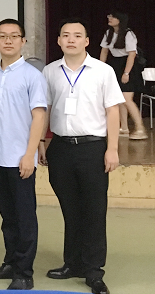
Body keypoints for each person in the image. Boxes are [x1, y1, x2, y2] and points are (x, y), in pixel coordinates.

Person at [39, 18, 123, 294]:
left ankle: (94, 270)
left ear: (86, 41)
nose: (71, 39)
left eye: (77, 35)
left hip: (93, 148)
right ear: (59, 41)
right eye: (66, 35)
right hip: (61, 147)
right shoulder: (50, 71)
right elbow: (45, 108)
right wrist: (41, 141)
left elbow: (112, 111)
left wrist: (112, 148)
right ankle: (72, 263)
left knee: (94, 210)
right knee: (70, 209)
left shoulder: (103, 71)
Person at [0, 19, 47, 291]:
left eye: (14, 36)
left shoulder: (32, 76)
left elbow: (39, 116)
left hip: (20, 158)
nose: (8, 41)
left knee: (25, 217)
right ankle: (10, 262)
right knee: (7, 215)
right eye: (2, 36)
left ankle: (24, 272)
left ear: (23, 41)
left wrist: (30, 154)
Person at [99, 11, 148, 140]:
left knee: (127, 99)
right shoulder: (108, 33)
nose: (109, 18)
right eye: (109, 16)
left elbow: (132, 54)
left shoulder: (128, 34)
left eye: (113, 16)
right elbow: (104, 51)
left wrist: (126, 73)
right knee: (119, 98)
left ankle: (140, 128)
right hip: (116, 65)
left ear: (120, 19)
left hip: (128, 66)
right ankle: (124, 128)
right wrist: (100, 68)